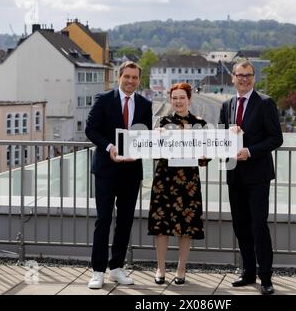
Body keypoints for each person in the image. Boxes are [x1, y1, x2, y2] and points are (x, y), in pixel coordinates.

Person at [86, 61, 153, 289]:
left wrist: (146, 145)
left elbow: (146, 135)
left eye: (135, 77)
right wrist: (109, 148)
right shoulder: (103, 99)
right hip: (106, 169)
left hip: (131, 172)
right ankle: (97, 271)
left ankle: (116, 268)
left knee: (125, 222)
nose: (131, 81)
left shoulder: (145, 104)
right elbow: (91, 129)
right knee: (103, 220)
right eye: (127, 77)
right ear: (119, 77)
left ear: (139, 80)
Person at [219, 60, 283, 295]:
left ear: (254, 77)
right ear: (232, 78)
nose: (244, 79)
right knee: (241, 226)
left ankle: (265, 277)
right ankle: (247, 272)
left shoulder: (265, 103)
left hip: (258, 176)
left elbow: (276, 138)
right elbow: (222, 138)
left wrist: (251, 150)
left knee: (259, 225)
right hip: (234, 174)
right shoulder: (227, 105)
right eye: (240, 75)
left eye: (249, 75)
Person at [148, 82, 208, 285]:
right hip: (164, 180)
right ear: (170, 100)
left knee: (187, 226)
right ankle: (160, 268)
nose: (178, 101)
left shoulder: (200, 124)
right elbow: (153, 153)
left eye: (182, 97)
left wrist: (204, 155)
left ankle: (181, 269)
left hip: (188, 182)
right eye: (174, 98)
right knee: (161, 225)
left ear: (189, 99)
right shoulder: (162, 123)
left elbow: (205, 160)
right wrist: (156, 139)